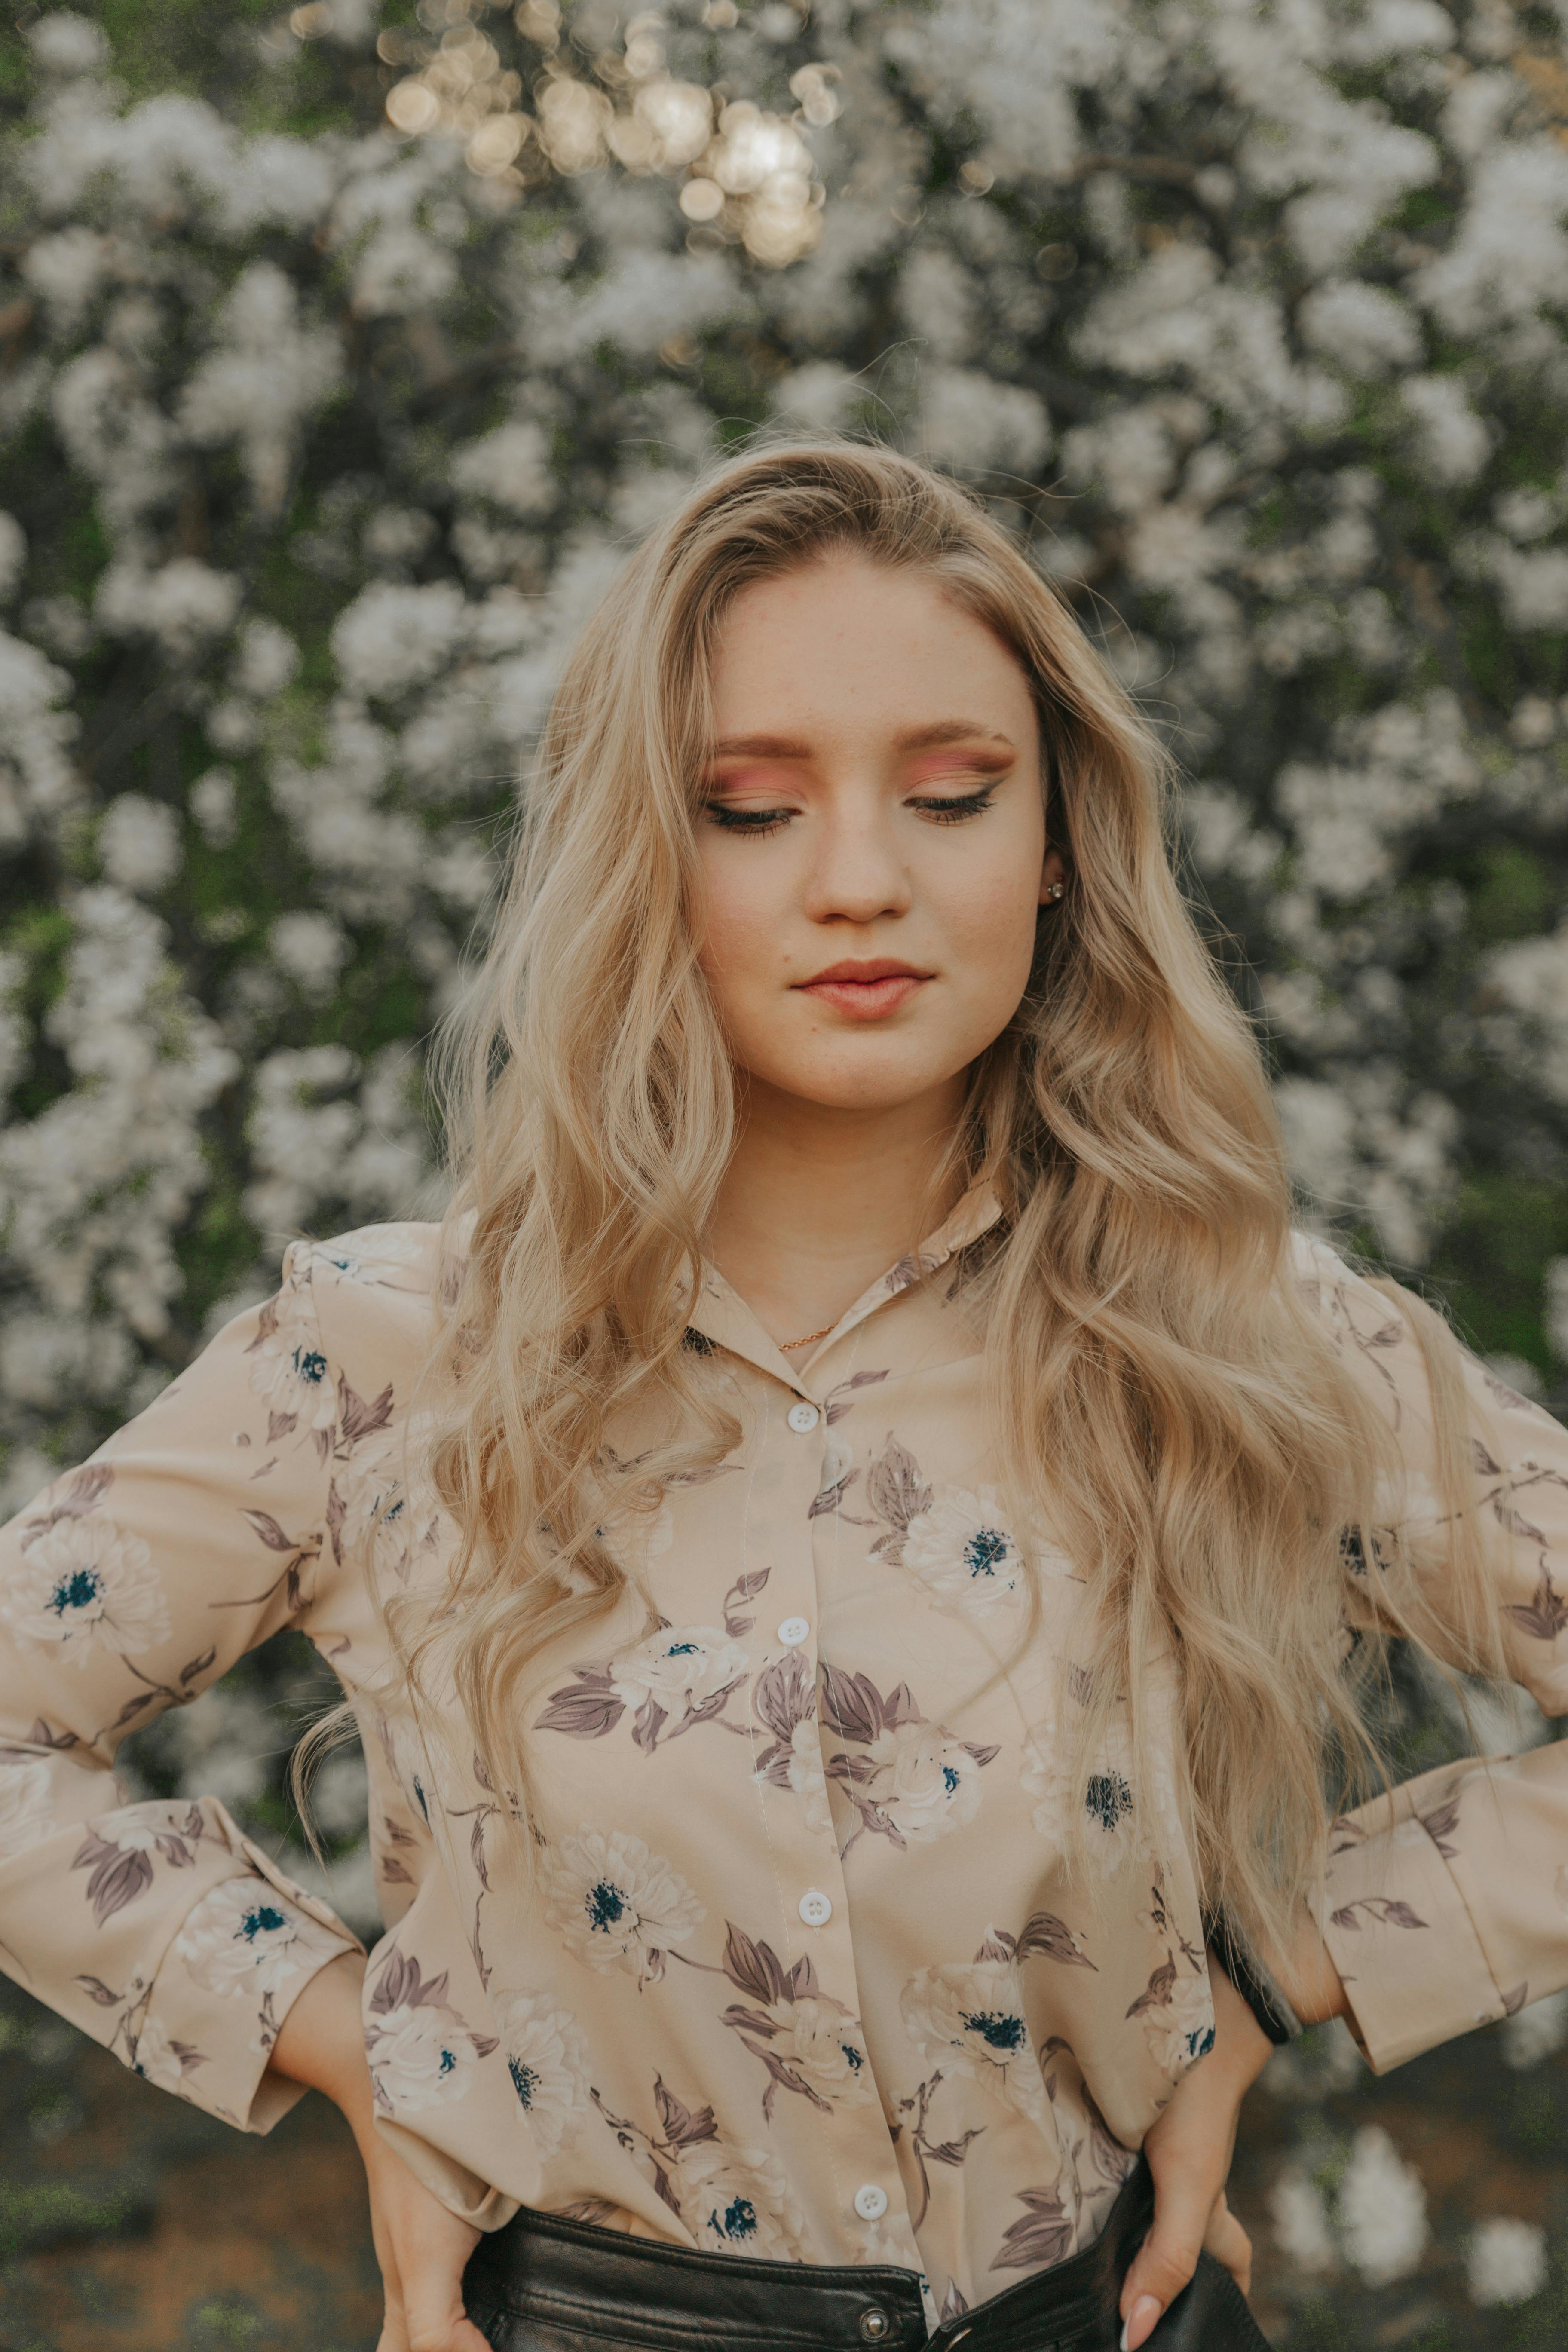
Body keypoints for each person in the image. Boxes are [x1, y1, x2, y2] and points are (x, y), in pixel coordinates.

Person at [2, 441, 1565, 2352]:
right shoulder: (394, 1357)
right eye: (750, 808)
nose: (860, 882)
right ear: (643, 851)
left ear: (1059, 841)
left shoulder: (1244, 1336)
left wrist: (1280, 1971)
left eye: (952, 794)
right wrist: (360, 2044)